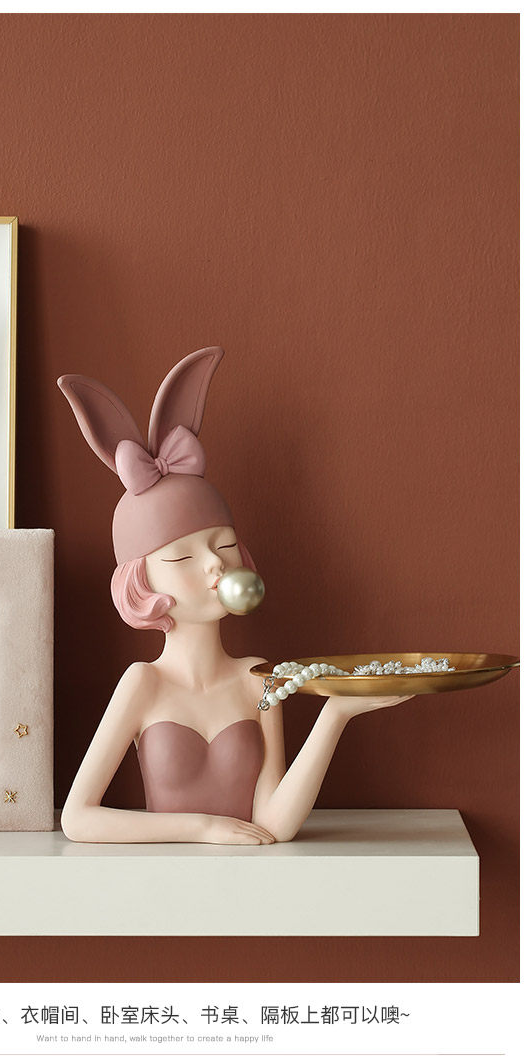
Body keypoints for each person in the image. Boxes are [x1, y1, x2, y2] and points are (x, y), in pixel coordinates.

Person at [58, 348, 409, 844]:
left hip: (254, 882)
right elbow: (78, 819)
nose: (214, 565)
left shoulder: (257, 678)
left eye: (223, 546)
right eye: (182, 557)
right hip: (161, 884)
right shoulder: (144, 682)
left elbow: (274, 825)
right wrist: (202, 828)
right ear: (141, 581)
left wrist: (335, 713)